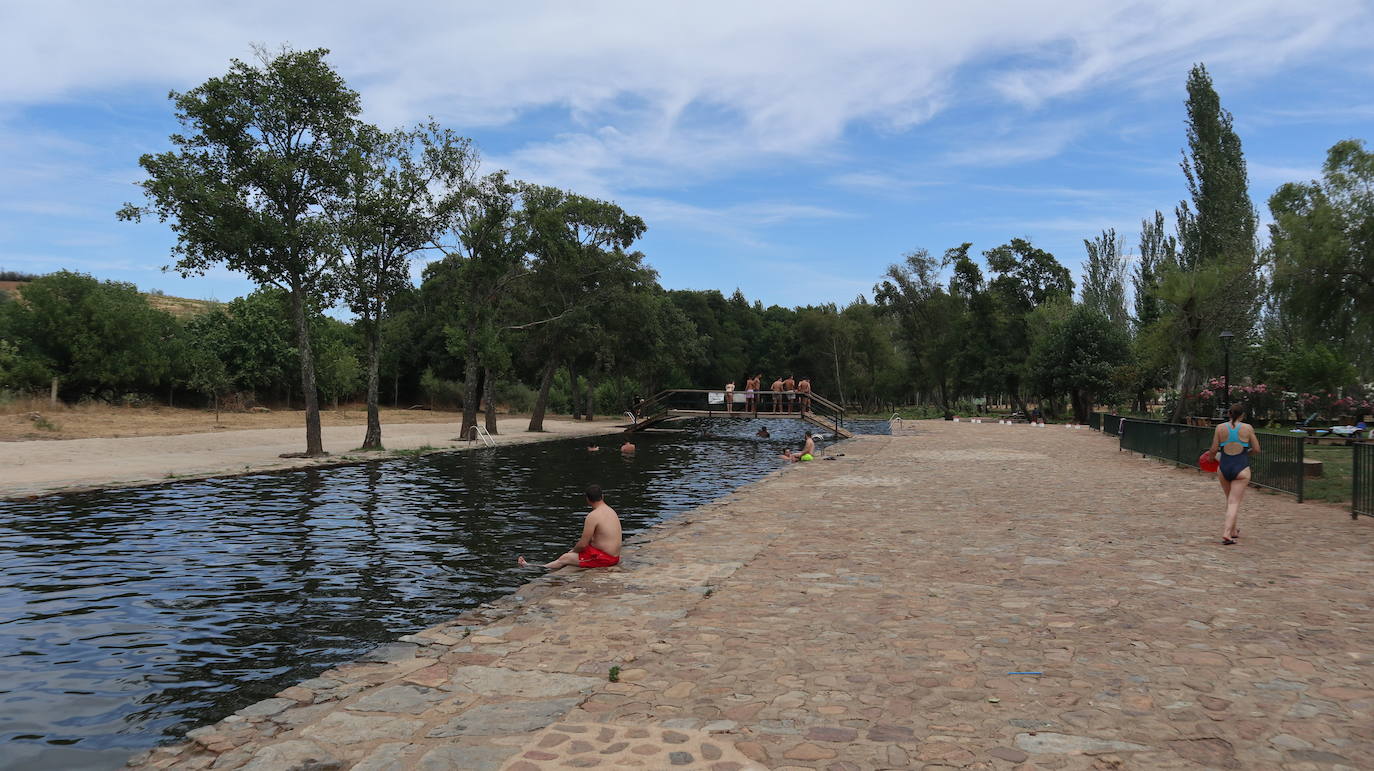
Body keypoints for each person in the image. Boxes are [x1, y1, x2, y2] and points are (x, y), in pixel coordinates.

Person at [518, 484, 622, 569]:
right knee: (571, 554)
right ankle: (539, 565)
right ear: (602, 496)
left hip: (606, 559)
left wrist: (572, 551)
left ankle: (531, 566)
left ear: (588, 500)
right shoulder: (611, 511)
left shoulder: (593, 516)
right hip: (612, 555)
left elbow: (583, 544)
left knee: (565, 558)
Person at [1209, 403, 1261, 545]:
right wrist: (1247, 453)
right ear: (1242, 415)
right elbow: (1256, 449)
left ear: (1229, 414)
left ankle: (1232, 530)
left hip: (1224, 467)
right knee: (1234, 502)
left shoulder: (1219, 428)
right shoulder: (1247, 428)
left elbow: (1213, 449)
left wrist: (1209, 459)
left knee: (1230, 500)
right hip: (1241, 467)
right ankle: (1227, 533)